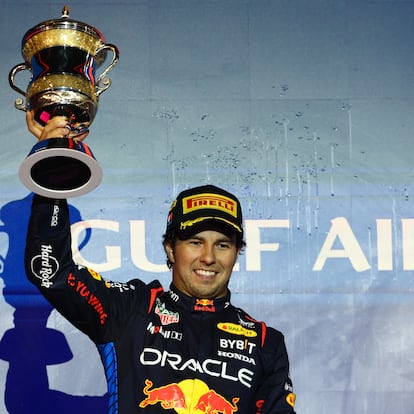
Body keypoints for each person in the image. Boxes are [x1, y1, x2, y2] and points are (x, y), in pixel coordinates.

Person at [24, 112, 296, 413]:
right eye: (195, 242)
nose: (208, 257)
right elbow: (51, 272)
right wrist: (54, 163)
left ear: (237, 252)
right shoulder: (130, 309)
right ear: (170, 248)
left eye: (222, 244)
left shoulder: (265, 343)